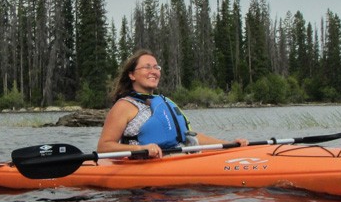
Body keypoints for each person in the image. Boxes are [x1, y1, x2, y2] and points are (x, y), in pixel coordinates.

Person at [97, 49, 247, 158]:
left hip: (175, 164)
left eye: (156, 67)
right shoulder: (124, 106)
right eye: (147, 67)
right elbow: (103, 148)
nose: (154, 71)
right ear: (131, 75)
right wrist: (142, 148)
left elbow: (189, 137)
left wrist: (229, 145)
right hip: (142, 179)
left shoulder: (165, 103)